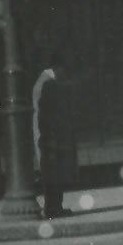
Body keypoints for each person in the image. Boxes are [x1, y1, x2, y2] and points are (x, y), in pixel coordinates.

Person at [31, 53, 77, 219]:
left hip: (49, 136)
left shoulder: (46, 82)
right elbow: (47, 113)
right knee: (53, 173)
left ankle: (55, 207)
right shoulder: (47, 83)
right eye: (65, 70)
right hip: (50, 137)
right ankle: (53, 208)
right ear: (57, 68)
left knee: (55, 173)